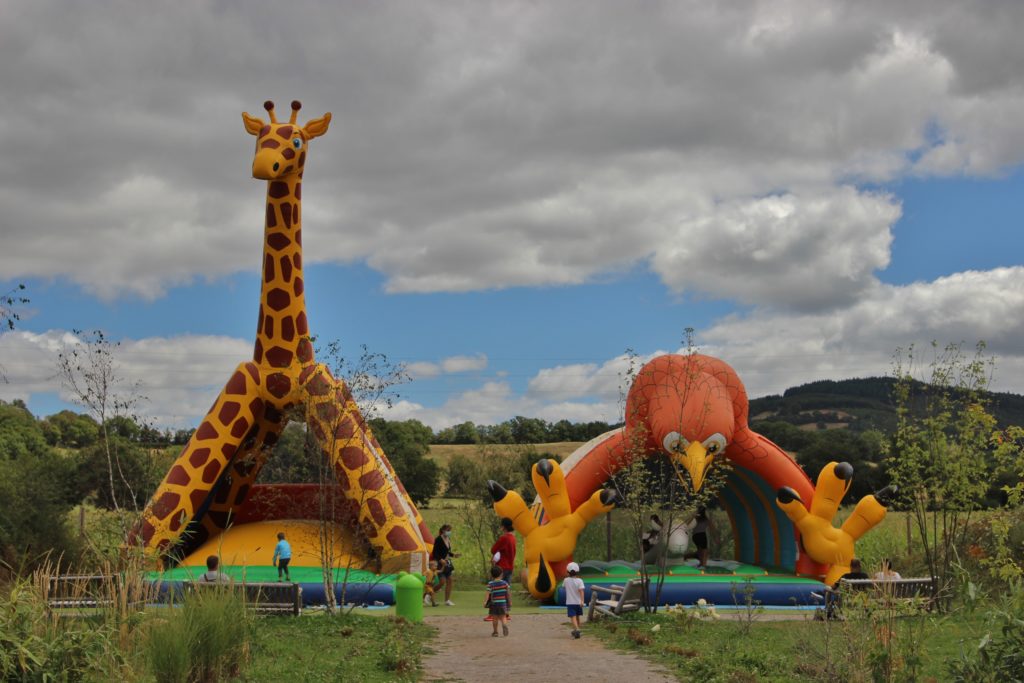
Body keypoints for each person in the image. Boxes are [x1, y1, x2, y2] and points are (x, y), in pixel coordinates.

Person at [431, 524, 460, 606]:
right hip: (440, 564)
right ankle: (429, 594)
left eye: (450, 530)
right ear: (443, 530)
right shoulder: (438, 539)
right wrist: (440, 560)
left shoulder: (448, 539)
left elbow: (447, 552)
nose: (449, 532)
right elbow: (435, 553)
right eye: (448, 530)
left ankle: (447, 600)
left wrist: (454, 555)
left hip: (447, 562)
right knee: (442, 582)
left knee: (450, 580)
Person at [485, 565, 511, 637]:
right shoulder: (505, 583)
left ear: (492, 575)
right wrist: (509, 602)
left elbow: (487, 594)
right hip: (502, 603)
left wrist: (485, 602)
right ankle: (504, 625)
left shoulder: (490, 584)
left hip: (494, 604)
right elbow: (508, 594)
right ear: (501, 574)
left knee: (495, 618)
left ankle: (495, 632)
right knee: (503, 617)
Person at [563, 561, 586, 639]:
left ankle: (577, 629)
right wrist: (582, 601)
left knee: (573, 617)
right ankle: (576, 630)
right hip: (578, 602)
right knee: (577, 616)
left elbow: (564, 587)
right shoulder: (580, 581)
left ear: (568, 571)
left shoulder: (566, 580)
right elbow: (581, 591)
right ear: (577, 571)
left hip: (570, 602)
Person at [490, 517, 517, 583]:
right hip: (510, 567)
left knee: (498, 589)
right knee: (506, 589)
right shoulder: (513, 538)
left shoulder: (504, 538)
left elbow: (493, 550)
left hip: (501, 568)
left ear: (504, 526)